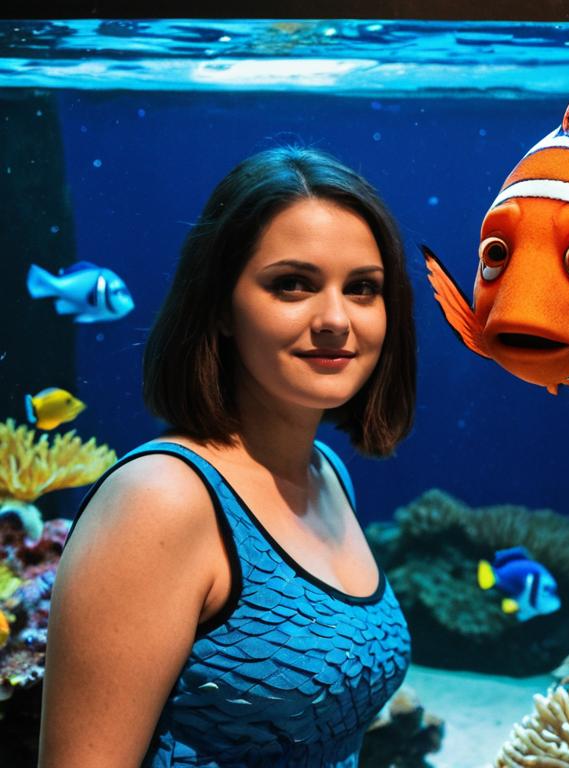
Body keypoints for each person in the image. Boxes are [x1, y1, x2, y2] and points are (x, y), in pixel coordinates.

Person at [38, 146, 417, 767]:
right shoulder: (161, 500)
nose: (334, 319)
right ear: (217, 305)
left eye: (362, 289)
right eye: (292, 284)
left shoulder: (328, 476)